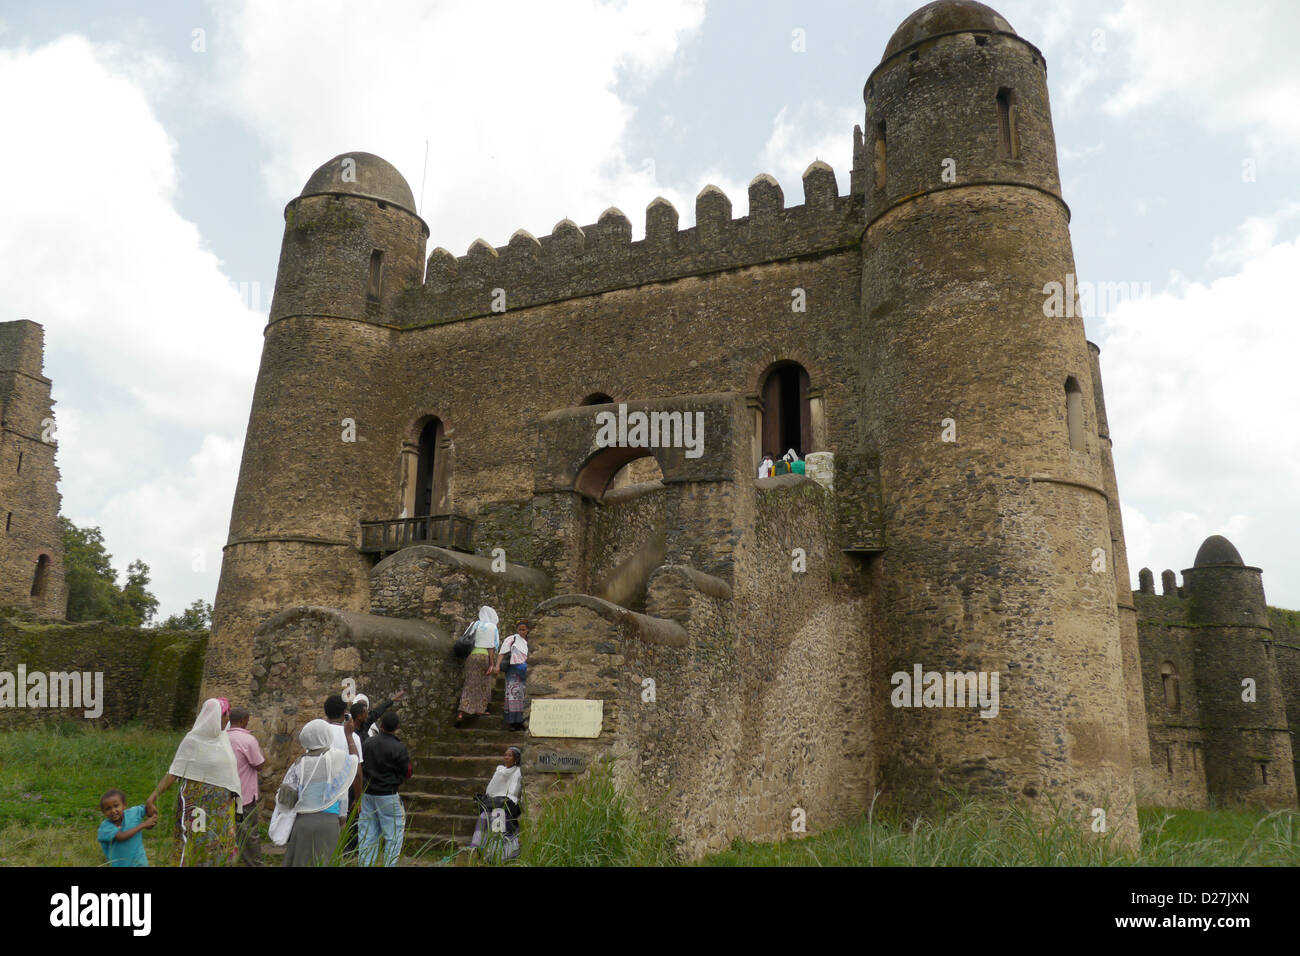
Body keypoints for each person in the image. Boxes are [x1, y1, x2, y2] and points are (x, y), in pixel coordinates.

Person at [146, 698, 242, 866]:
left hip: (221, 808)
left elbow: (230, 774)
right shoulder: (193, 741)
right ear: (216, 716)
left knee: (219, 844)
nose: (228, 719)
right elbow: (174, 772)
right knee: (194, 842)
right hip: (196, 806)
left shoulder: (223, 739)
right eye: (226, 714)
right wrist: (152, 798)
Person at [276, 719, 359, 867]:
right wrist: (349, 736)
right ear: (327, 736)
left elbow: (284, 800)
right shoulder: (338, 759)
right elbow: (354, 765)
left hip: (302, 824)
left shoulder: (298, 764)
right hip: (329, 824)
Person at [359, 710, 412, 867]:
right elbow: (407, 771)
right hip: (388, 793)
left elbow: (361, 765)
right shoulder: (399, 748)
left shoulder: (368, 743)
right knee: (393, 835)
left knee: (367, 833)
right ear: (396, 728)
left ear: (381, 725)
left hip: (367, 793)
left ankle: (365, 864)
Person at [225, 707, 266, 867]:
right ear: (243, 720)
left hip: (224, 794)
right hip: (244, 795)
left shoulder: (222, 737)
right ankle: (253, 864)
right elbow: (259, 764)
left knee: (227, 829)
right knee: (249, 833)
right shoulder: (248, 740)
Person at [468, 746, 523, 862]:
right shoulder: (500, 770)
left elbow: (513, 792)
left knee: (498, 816)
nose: (507, 758)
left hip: (507, 805)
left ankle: (495, 854)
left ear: (516, 759)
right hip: (495, 802)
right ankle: (475, 849)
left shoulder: (518, 772)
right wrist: (500, 775)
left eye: (510, 755)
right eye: (505, 755)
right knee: (483, 816)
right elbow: (491, 790)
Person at [456, 606, 499, 726]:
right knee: (484, 683)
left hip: (471, 656)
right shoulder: (492, 627)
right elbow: (491, 646)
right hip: (483, 657)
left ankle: (462, 711)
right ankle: (480, 709)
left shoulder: (474, 624)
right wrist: (491, 663)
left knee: (470, 683)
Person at [97, 789, 155, 867]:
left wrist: (153, 815)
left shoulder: (133, 813)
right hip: (119, 864)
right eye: (108, 809)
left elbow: (148, 809)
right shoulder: (105, 827)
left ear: (124, 805)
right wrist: (143, 825)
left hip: (139, 862)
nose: (113, 811)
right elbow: (121, 837)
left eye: (116, 806)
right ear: (103, 812)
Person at [494, 620, 530, 731]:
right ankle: (511, 722)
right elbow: (502, 653)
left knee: (522, 696)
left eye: (524, 629)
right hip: (513, 671)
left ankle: (521, 721)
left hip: (524, 671)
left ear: (528, 630)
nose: (522, 632)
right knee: (512, 695)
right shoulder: (511, 639)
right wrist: (497, 666)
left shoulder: (530, 641)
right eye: (520, 629)